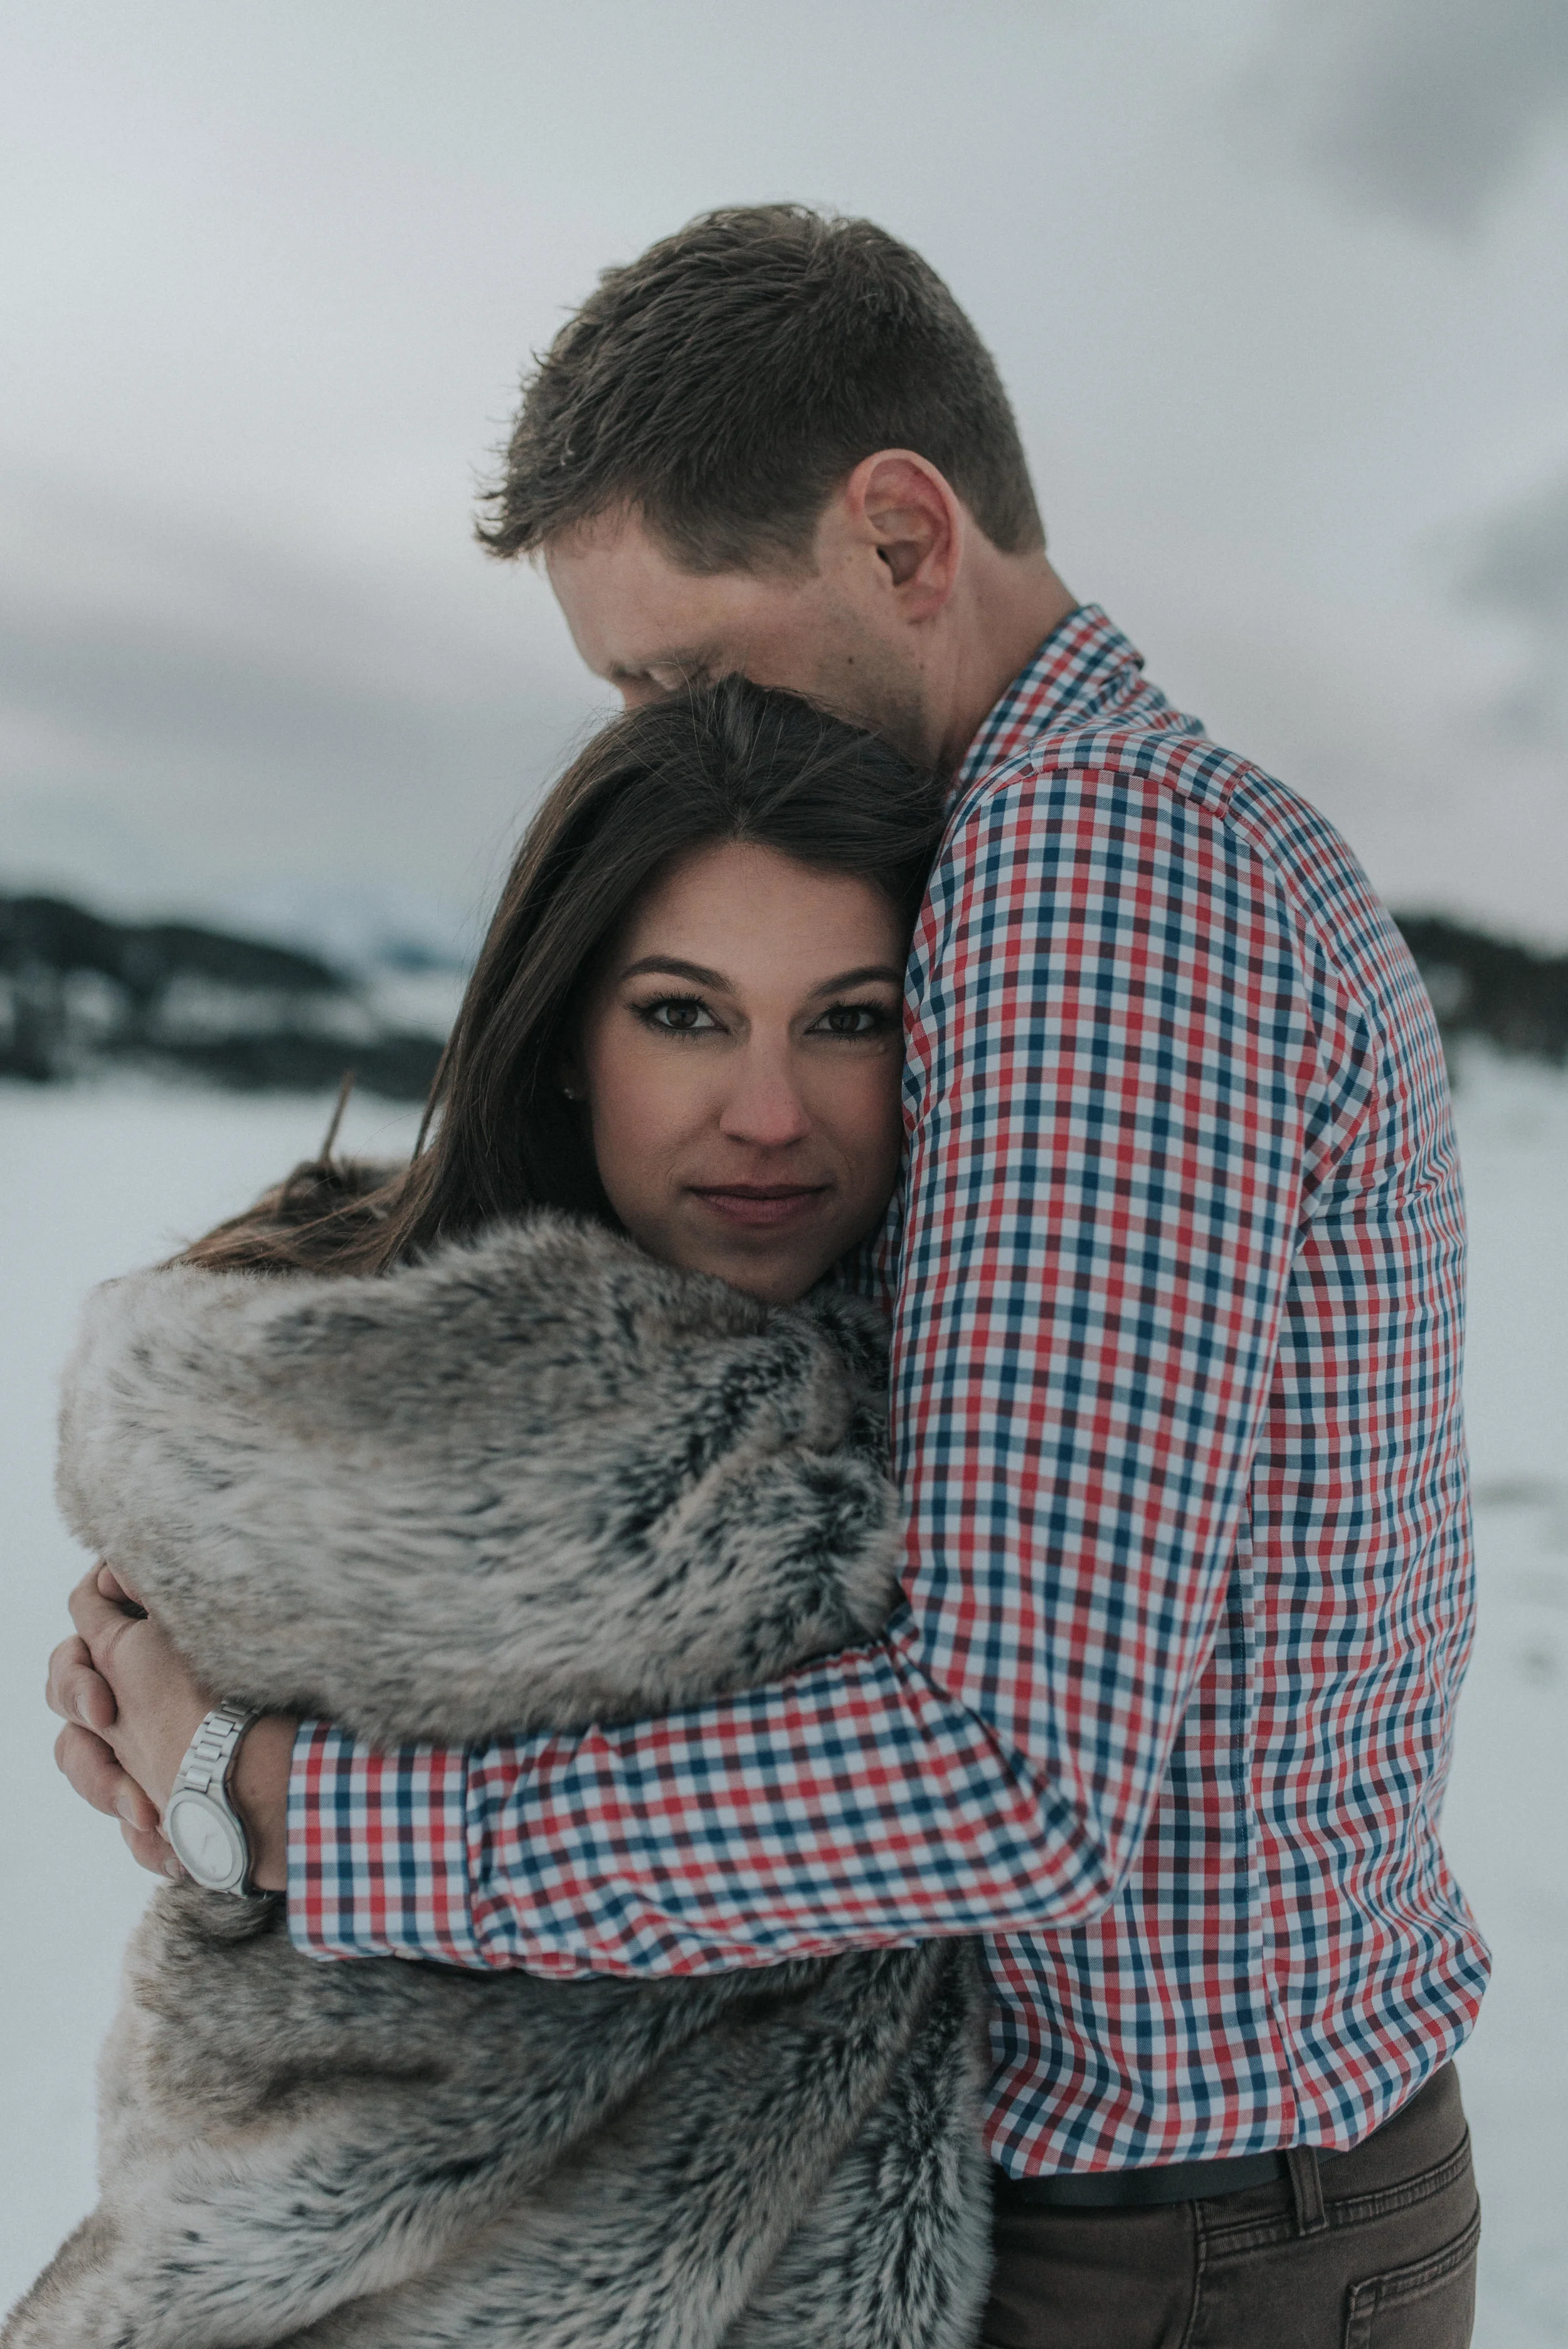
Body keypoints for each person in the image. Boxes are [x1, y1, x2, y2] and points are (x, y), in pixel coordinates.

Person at [51, 207, 1487, 2346]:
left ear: (902, 536)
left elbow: (1009, 1770)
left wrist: (284, 1802)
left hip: (1158, 2225)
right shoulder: (1049, 860)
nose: (654, 739)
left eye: (677, 672)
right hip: (1113, 2188)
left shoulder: (1099, 891)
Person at [17, 681, 992, 2349]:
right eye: (684, 1014)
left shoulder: (995, 1426)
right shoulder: (338, 1438)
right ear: (562, 1033)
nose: (769, 1112)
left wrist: (236, 1784)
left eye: (851, 1019)